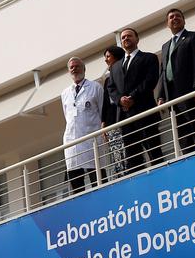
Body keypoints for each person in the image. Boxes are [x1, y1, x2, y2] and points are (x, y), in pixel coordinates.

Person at [156, 8, 195, 154]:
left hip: (190, 92)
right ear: (167, 24)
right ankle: (188, 159)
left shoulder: (194, 37)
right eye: (171, 17)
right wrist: (161, 95)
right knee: (182, 131)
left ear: (183, 20)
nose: (175, 18)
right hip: (172, 96)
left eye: (178, 16)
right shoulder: (165, 46)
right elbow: (163, 71)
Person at [109, 27, 163, 173]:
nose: (126, 38)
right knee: (132, 157)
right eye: (123, 37)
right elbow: (111, 88)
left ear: (137, 39)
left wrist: (132, 97)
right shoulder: (114, 67)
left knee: (154, 151)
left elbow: (150, 80)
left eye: (129, 36)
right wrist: (121, 100)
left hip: (144, 112)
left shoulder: (149, 58)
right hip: (126, 118)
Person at [60, 57, 104, 193]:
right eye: (71, 67)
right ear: (69, 71)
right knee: (75, 181)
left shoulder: (95, 87)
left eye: (77, 66)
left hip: (92, 138)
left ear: (84, 69)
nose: (74, 68)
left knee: (97, 177)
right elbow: (67, 115)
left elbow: (103, 111)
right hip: (71, 140)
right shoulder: (65, 93)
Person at [101, 45, 126, 178]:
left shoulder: (124, 71)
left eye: (108, 57)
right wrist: (103, 122)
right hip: (112, 120)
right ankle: (120, 174)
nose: (106, 60)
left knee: (128, 149)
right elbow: (105, 102)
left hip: (124, 115)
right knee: (116, 152)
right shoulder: (107, 79)